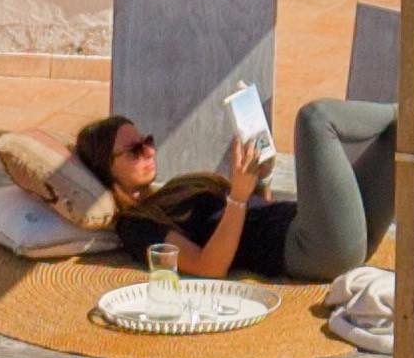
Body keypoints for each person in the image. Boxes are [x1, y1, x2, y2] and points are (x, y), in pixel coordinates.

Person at [73, 101, 397, 285]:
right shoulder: (137, 225)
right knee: (316, 119)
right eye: (133, 150)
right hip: (313, 249)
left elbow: (254, 226)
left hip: (337, 238)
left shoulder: (169, 191)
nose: (148, 152)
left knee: (399, 136)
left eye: (148, 141)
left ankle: (412, 110)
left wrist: (259, 180)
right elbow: (209, 266)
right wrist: (238, 196)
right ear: (106, 167)